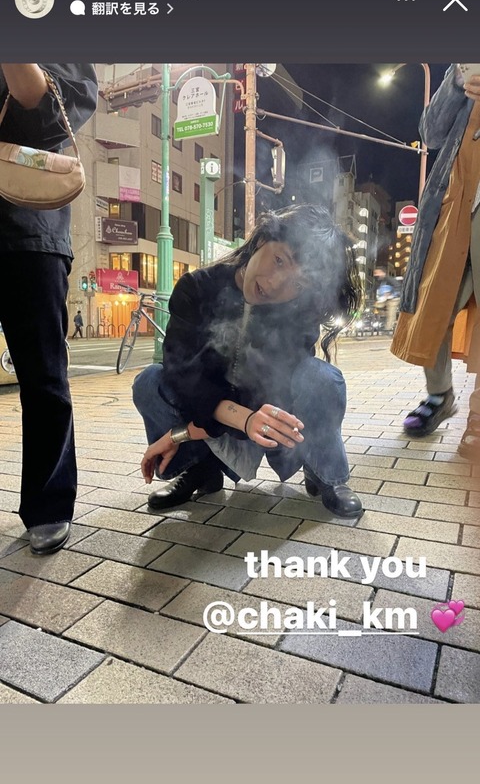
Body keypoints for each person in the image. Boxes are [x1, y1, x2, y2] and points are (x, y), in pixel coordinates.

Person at [133, 203, 364, 518]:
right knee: (150, 381)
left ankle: (326, 474)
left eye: (299, 284)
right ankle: (200, 470)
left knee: (322, 378)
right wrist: (238, 418)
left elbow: (272, 389)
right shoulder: (196, 288)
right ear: (262, 240)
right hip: (222, 420)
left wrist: (180, 433)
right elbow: (184, 376)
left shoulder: (295, 312)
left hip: (273, 429)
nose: (276, 284)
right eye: (280, 260)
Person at [0, 63, 98, 554]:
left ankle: (48, 503)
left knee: (43, 377)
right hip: (29, 236)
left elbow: (48, 115)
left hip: (27, 228)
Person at [391, 63, 480, 459]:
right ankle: (440, 394)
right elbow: (431, 133)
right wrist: (457, 81)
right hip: (453, 202)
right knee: (433, 305)